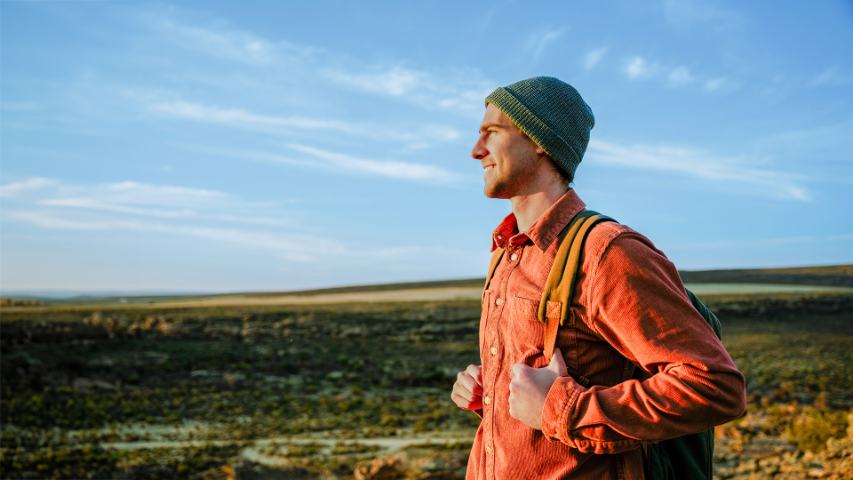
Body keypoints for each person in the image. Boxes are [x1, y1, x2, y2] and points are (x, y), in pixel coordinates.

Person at [450, 76, 746, 479]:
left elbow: (714, 388)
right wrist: (490, 392)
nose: (475, 150)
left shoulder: (607, 251)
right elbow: (537, 396)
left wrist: (559, 409)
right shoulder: (506, 253)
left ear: (540, 140)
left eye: (492, 133)